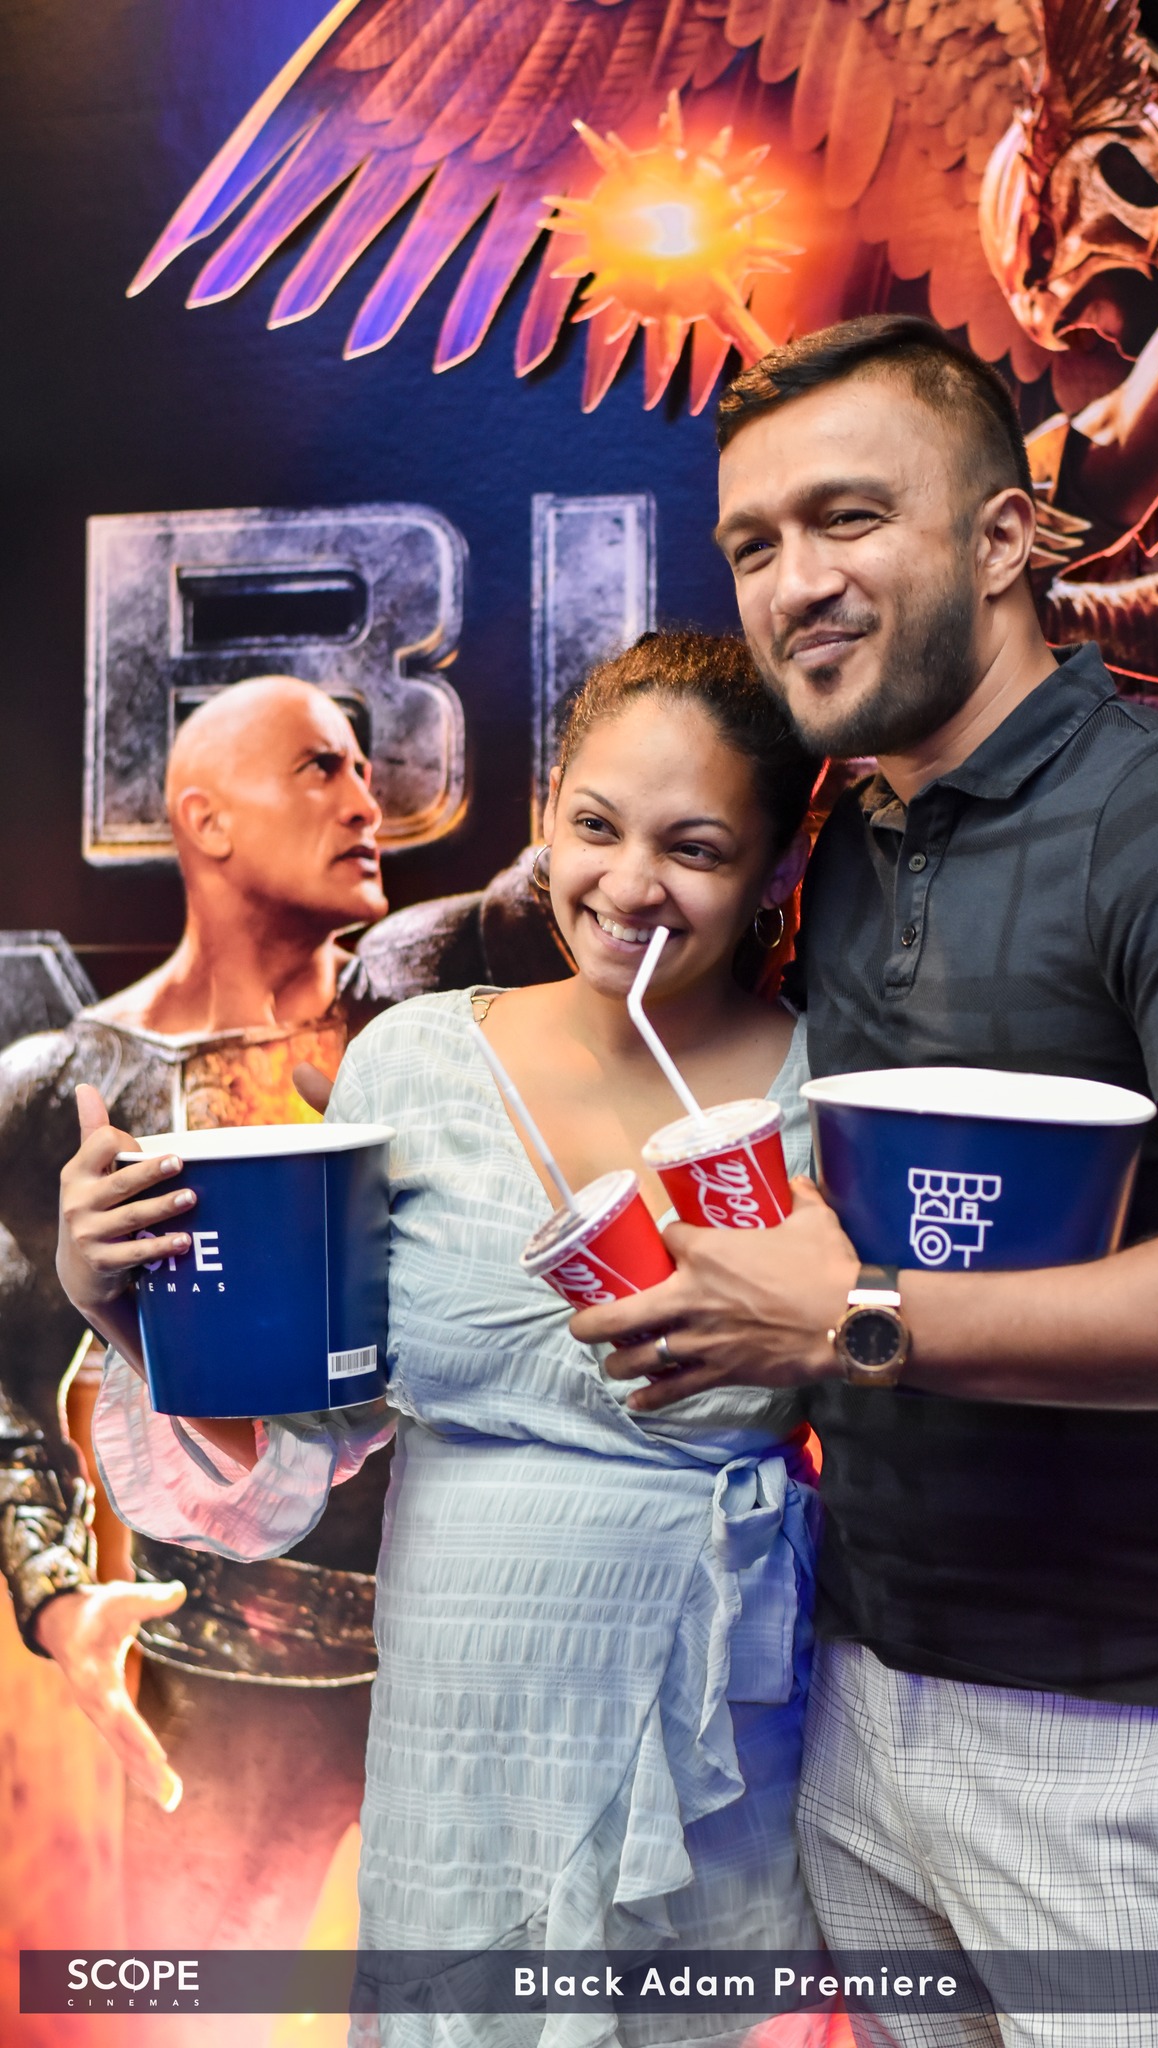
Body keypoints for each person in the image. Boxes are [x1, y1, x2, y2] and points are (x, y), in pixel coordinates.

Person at [569, 318, 1158, 2047]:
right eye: (753, 543)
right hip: (861, 1692)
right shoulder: (843, 836)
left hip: (1123, 1730)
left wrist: (859, 1318)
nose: (793, 583)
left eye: (847, 518)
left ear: (1005, 538)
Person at [61, 630, 826, 2046]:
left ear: (778, 868)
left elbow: (911, 1403)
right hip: (460, 1739)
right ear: (546, 823)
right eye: (594, 827)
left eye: (697, 847)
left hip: (718, 1728)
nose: (630, 884)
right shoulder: (414, 1061)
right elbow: (293, 1453)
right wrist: (126, 1304)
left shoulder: (823, 1095)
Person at [0, 674, 394, 1976]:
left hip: (473, 1659)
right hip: (214, 1692)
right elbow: (1, 1380)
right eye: (321, 768)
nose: (367, 801)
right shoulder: (62, 1086)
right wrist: (58, 1597)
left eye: (364, 768)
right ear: (205, 820)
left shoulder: (442, 1022)